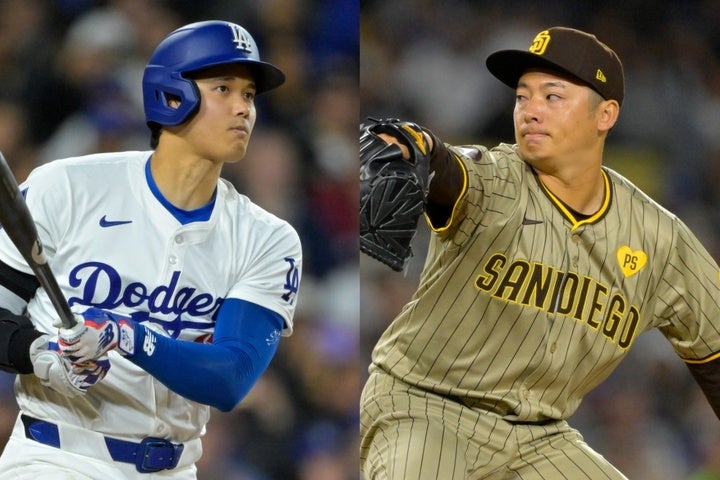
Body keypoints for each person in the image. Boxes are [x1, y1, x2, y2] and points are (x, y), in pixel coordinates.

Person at [359, 26, 720, 479]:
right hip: (425, 407)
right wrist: (421, 146)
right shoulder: (499, 180)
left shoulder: (659, 238)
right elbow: (451, 169)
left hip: (539, 436)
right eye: (522, 97)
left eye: (552, 97)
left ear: (605, 114)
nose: (530, 111)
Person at [0, 20, 302, 479]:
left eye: (249, 95)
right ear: (171, 95)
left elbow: (230, 376)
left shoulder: (267, 238)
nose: (243, 108)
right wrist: (38, 354)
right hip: (57, 456)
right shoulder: (68, 187)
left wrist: (124, 334)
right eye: (224, 88)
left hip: (175, 468)